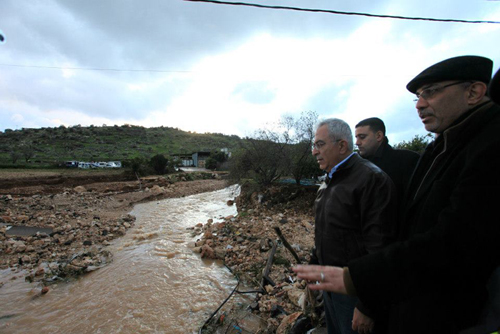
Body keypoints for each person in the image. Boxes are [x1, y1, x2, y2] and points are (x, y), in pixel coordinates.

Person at [294, 55, 500, 333]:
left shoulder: (371, 178)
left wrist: (367, 299)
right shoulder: (441, 147)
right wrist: (316, 265)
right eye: (417, 96)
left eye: (431, 92)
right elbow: (329, 230)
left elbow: (431, 242)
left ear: (474, 92)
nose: (420, 104)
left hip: (377, 292)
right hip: (341, 283)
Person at [310, 118, 397, 334]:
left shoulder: (371, 179)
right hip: (329, 283)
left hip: (354, 290)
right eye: (314, 145)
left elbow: (381, 247)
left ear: (342, 146)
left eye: (320, 144)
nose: (314, 151)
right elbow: (326, 230)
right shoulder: (329, 179)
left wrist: (368, 305)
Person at [355, 117, 419, 198]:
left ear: (379, 136)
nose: (357, 142)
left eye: (362, 137)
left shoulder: (408, 160)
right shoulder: (356, 165)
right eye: (356, 137)